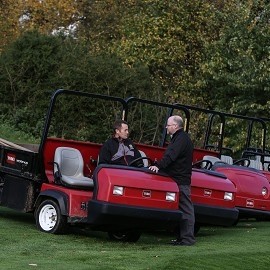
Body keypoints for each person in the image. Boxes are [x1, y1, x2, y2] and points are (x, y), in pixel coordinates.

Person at [149, 115, 195, 246]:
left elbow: (171, 155)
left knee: (186, 208)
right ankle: (182, 237)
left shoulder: (180, 139)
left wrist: (158, 166)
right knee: (182, 208)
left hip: (180, 179)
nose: (166, 127)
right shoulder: (180, 138)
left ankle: (187, 239)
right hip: (179, 178)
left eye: (168, 125)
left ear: (175, 126)